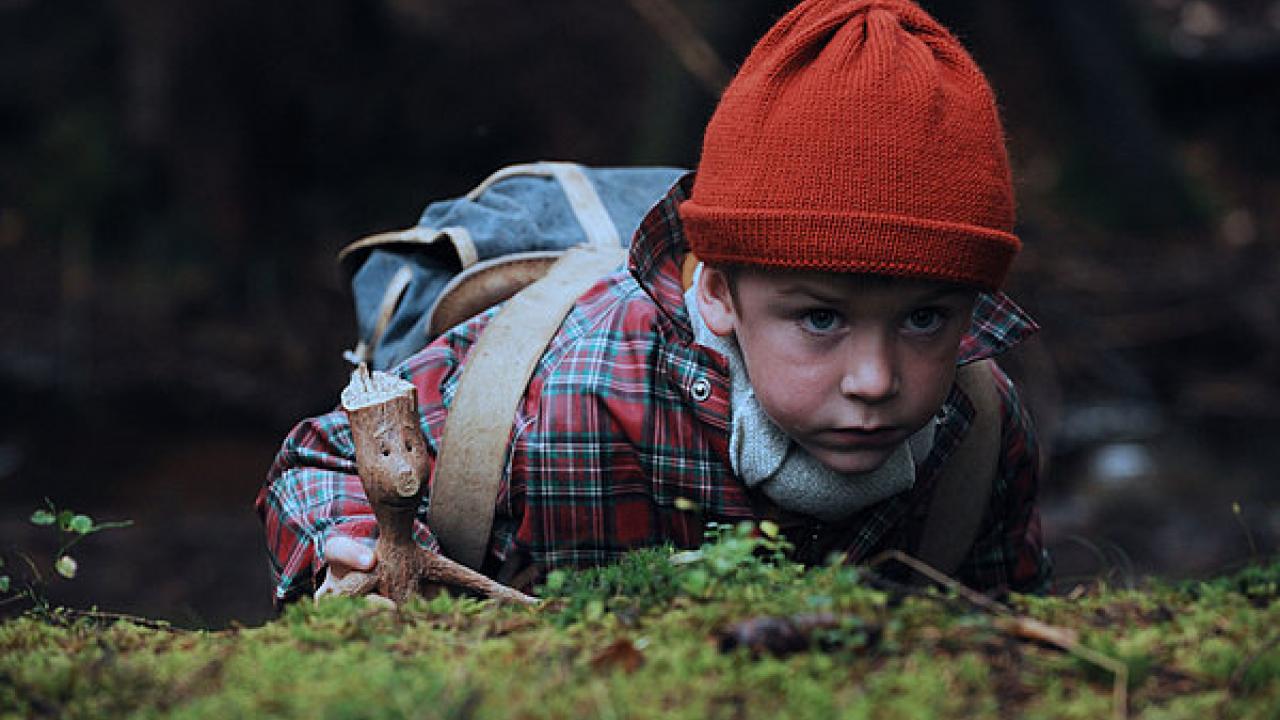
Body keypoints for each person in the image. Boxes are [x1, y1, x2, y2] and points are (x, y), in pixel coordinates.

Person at [257, 0, 1052, 605]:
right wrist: (351, 547)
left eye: (925, 318)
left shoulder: (980, 435)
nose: (876, 380)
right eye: (821, 318)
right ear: (717, 291)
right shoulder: (567, 399)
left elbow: (1003, 631)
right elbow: (315, 460)